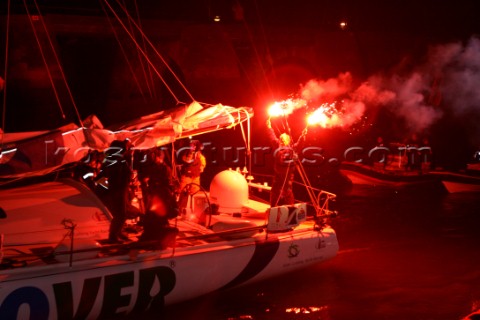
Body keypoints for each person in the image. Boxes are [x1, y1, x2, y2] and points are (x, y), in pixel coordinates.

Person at [95, 139, 133, 243]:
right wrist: (110, 188)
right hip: (117, 191)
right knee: (120, 215)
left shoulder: (115, 159)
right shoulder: (114, 160)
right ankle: (113, 236)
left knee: (122, 214)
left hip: (121, 190)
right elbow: (101, 177)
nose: (126, 150)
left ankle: (118, 233)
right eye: (124, 149)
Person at [266, 119, 306, 207]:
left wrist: (303, 136)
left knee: (288, 192)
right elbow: (272, 137)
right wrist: (269, 127)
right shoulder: (277, 145)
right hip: (278, 175)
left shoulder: (292, 148)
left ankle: (290, 210)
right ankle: (273, 208)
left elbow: (300, 144)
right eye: (281, 138)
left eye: (284, 138)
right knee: (275, 192)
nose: (282, 139)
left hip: (288, 177)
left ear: (288, 140)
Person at [177, 140, 206, 209]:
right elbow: (186, 160)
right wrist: (191, 154)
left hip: (196, 176)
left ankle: (193, 209)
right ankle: (181, 208)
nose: (191, 146)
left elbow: (203, 161)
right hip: (187, 176)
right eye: (191, 145)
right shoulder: (187, 152)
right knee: (184, 191)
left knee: (195, 192)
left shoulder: (199, 155)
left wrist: (202, 166)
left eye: (193, 145)